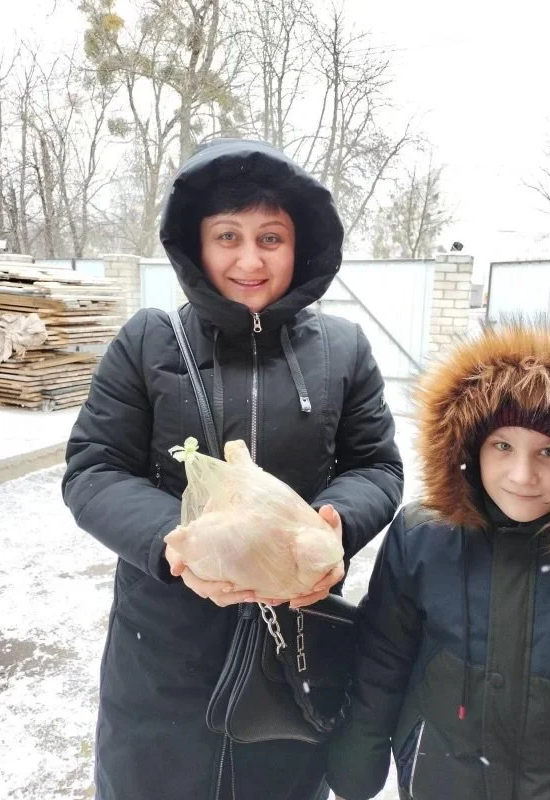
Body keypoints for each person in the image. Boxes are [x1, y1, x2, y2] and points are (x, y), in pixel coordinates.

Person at [61, 137, 403, 800]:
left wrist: (334, 525)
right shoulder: (147, 342)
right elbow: (94, 469)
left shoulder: (342, 349)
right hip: (163, 654)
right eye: (228, 237)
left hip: (292, 649)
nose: (250, 260)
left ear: (300, 245)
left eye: (271, 238)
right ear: (197, 244)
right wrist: (176, 542)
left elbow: (375, 465)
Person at [327, 324, 550, 800]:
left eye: (549, 452)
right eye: (503, 446)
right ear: (470, 447)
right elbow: (383, 655)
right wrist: (359, 756)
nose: (522, 475)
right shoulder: (424, 538)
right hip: (441, 778)